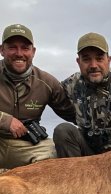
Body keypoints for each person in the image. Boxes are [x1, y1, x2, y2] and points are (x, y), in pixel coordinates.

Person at [53, 32, 111, 157]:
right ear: (78, 61)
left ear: (108, 60)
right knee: (63, 131)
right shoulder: (72, 84)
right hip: (87, 154)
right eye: (86, 59)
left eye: (99, 58)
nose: (93, 65)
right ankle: (76, 175)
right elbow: (46, 90)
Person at [0, 24, 76, 169]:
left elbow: (72, 114)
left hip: (26, 145)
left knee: (53, 154)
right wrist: (5, 120)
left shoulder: (47, 82)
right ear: (1, 50)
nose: (19, 53)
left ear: (33, 52)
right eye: (12, 47)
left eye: (25, 48)